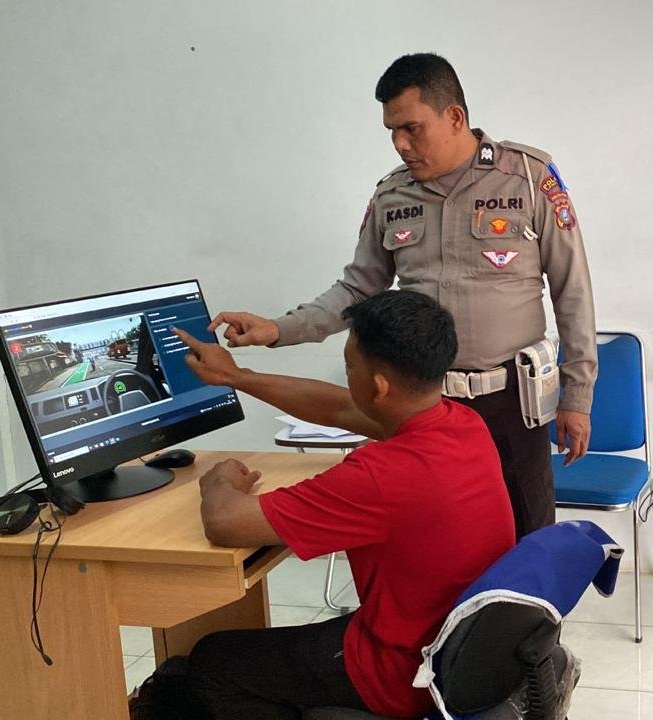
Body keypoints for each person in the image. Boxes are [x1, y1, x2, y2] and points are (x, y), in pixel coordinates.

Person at [207, 52, 597, 540]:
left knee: (526, 539)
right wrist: (277, 329)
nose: (400, 144)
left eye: (412, 128)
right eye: (392, 131)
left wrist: (577, 396)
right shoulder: (392, 196)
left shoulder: (529, 179)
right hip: (423, 405)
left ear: (454, 117)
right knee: (434, 539)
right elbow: (357, 289)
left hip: (511, 405)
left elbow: (572, 291)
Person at [152, 290, 515, 719]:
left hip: (402, 675)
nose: (346, 378)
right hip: (455, 654)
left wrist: (220, 479)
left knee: (213, 662)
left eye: (349, 367)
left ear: (379, 387)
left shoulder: (379, 476)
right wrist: (237, 377)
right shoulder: (463, 424)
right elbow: (340, 408)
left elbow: (224, 520)